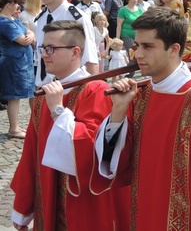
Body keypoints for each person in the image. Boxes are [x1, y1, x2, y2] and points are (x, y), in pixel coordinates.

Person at [92, 7, 191, 230]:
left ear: (174, 49)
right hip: (145, 215)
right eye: (137, 45)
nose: (138, 54)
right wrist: (118, 113)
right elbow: (117, 166)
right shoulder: (140, 96)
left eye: (148, 46)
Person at [10, 20, 129, 230]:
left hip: (83, 202)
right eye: (42, 48)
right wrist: (23, 206)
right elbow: (31, 151)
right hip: (49, 196)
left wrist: (58, 111)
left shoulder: (95, 90)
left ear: (75, 52)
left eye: (51, 49)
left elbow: (93, 151)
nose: (44, 54)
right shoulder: (45, 94)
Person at [33, 0, 99, 87]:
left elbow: (90, 61)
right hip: (44, 91)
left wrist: (91, 95)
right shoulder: (42, 18)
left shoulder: (77, 18)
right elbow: (40, 63)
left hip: (69, 89)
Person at [0, 0, 34, 139]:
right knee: (14, 96)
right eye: (15, 4)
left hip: (21, 62)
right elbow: (23, 40)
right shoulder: (4, 22)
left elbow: (30, 32)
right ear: (8, 5)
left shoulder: (13, 19)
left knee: (17, 96)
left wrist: (31, 34)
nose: (18, 6)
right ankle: (13, 129)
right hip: (13, 63)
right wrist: (30, 35)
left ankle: (15, 126)